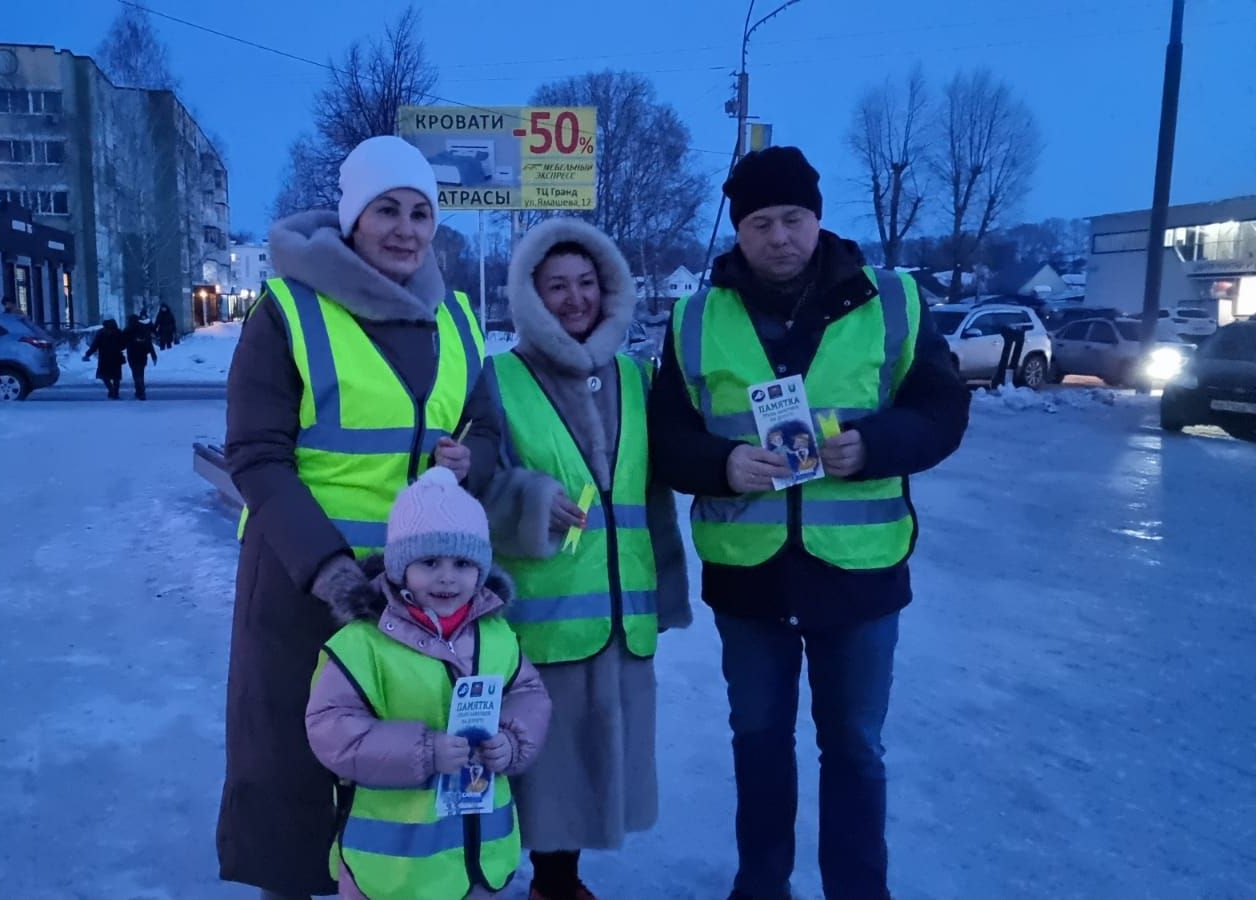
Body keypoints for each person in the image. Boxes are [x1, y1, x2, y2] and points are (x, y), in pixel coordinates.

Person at [649, 146, 970, 900]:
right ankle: (761, 886)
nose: (780, 236)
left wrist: (877, 445)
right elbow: (666, 436)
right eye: (761, 223)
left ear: (818, 218)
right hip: (749, 577)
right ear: (739, 231)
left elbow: (944, 410)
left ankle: (858, 892)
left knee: (855, 748)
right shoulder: (696, 318)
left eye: (793, 218)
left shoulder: (891, 301)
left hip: (858, 577)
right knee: (759, 744)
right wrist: (722, 464)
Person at [218, 134, 504, 900]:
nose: (406, 229)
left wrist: (471, 462)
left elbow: (490, 433)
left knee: (400, 766)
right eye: (387, 210)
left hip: (427, 593)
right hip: (301, 580)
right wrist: (333, 574)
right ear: (352, 219)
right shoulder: (288, 312)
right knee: (295, 763)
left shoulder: (458, 320)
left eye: (420, 212)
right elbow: (255, 455)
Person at [480, 218, 691, 900]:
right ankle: (535, 878)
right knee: (543, 763)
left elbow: (654, 493)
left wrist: (665, 588)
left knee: (599, 761)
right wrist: (529, 499)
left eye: (587, 284)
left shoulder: (636, 375)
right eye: (556, 287)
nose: (575, 300)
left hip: (622, 608)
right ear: (530, 296)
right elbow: (474, 484)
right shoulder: (500, 378)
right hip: (543, 613)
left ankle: (560, 880)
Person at [306, 465, 552, 900]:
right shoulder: (362, 645)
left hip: (478, 863)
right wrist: (423, 751)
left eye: (462, 563)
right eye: (429, 562)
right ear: (400, 568)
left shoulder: (496, 636)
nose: (446, 577)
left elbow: (528, 695)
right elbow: (331, 729)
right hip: (392, 872)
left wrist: (512, 740)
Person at [81, 318, 126, 399]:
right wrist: (118, 348)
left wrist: (88, 354)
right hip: (116, 357)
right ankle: (115, 392)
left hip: (104, 357)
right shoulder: (118, 332)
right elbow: (123, 344)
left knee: (104, 376)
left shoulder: (101, 333)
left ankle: (111, 389)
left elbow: (95, 345)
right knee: (116, 377)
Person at [123, 313, 156, 400]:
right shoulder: (143, 329)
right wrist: (153, 355)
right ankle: (139, 391)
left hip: (132, 355)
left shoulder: (127, 330)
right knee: (141, 373)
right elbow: (149, 343)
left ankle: (140, 392)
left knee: (136, 374)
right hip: (142, 355)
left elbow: (122, 343)